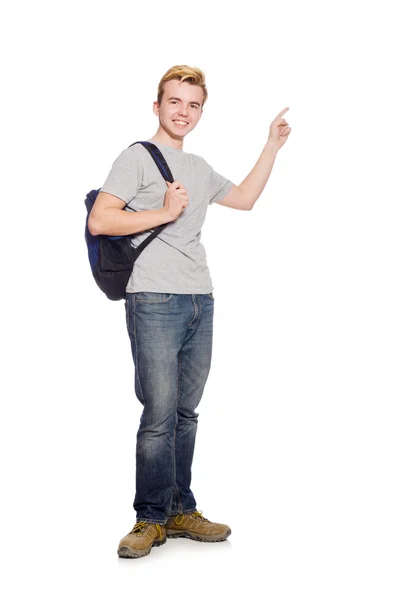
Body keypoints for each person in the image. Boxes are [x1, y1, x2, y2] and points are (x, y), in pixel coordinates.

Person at [88, 65, 291, 559]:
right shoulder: (136, 157)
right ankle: (148, 518)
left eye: (193, 104)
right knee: (158, 414)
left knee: (185, 413)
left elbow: (242, 199)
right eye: (175, 102)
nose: (184, 112)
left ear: (201, 111)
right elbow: (100, 220)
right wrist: (164, 211)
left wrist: (271, 146)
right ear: (157, 106)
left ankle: (180, 508)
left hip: (201, 298)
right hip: (153, 299)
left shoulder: (198, 166)